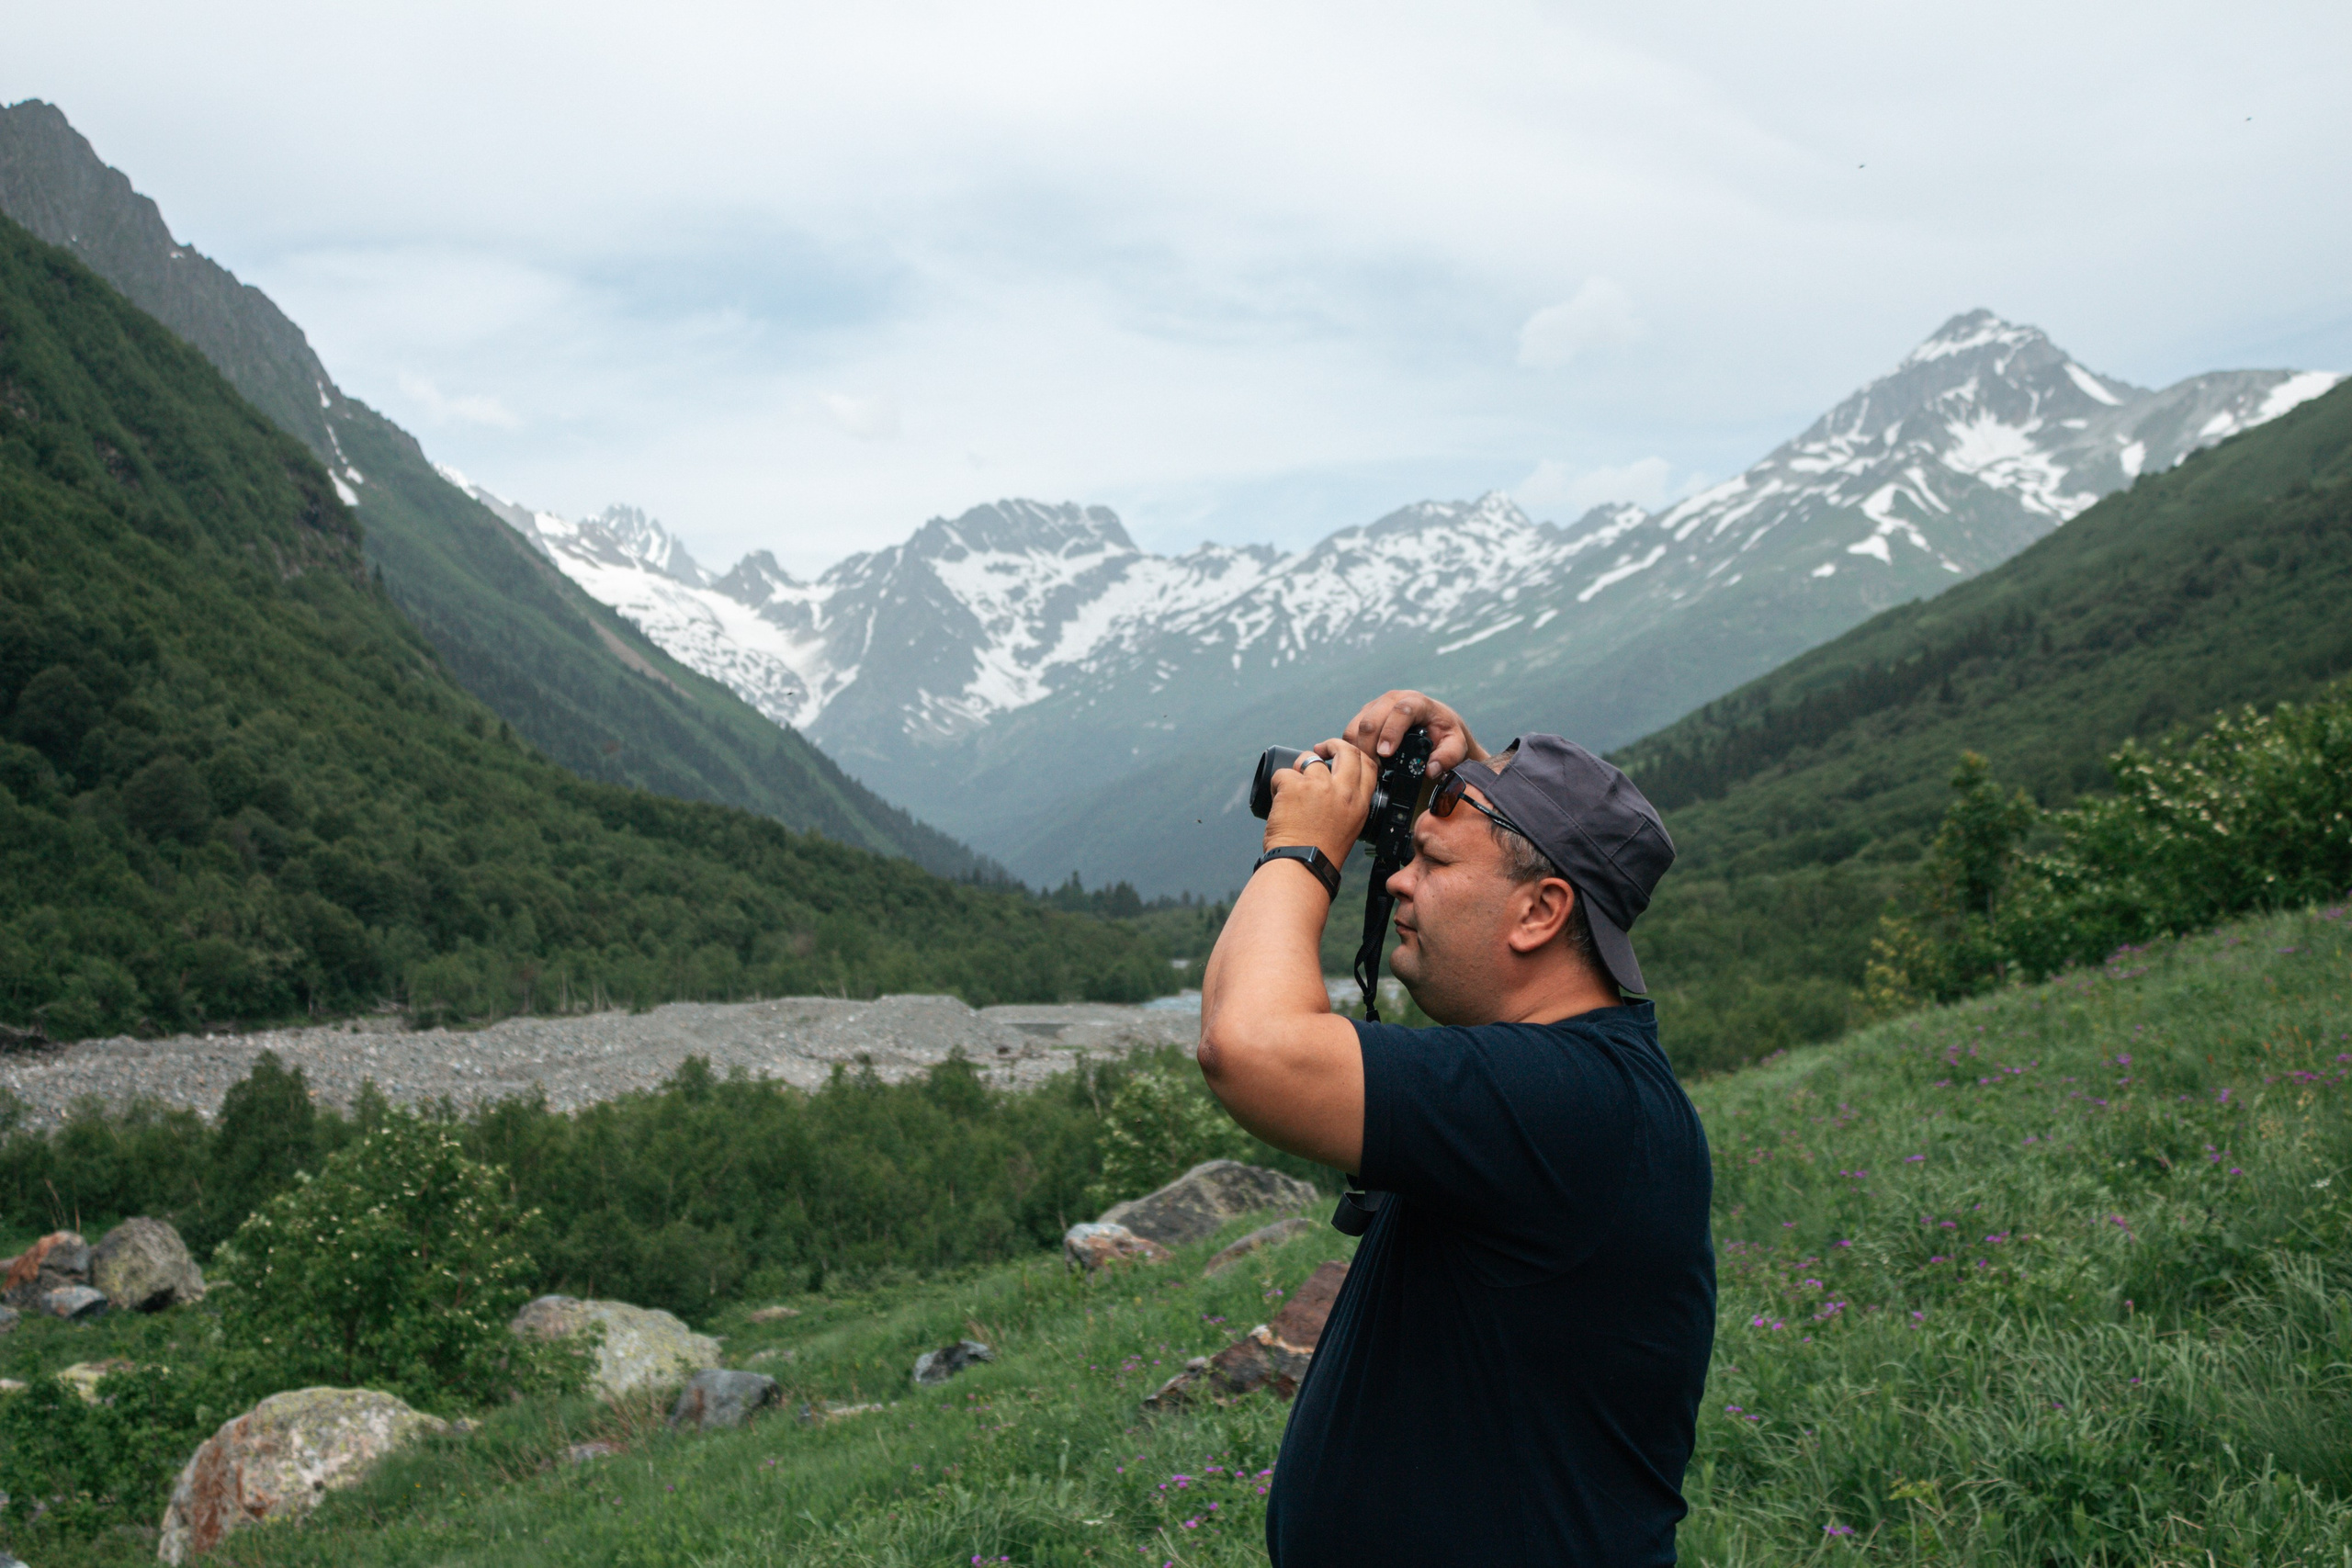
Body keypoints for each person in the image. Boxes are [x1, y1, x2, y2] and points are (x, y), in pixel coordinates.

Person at [1197, 689, 1714, 1567]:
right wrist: (1470, 782)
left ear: (1541, 913)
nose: (1396, 875)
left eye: (1431, 862)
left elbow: (1246, 1046)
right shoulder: (1579, 1082)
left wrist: (1302, 846)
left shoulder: (1568, 1103)